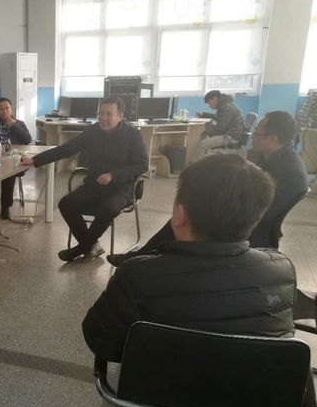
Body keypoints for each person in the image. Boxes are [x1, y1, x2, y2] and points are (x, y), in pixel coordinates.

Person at [82, 153, 295, 367]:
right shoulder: (281, 271)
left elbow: (102, 342)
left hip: (156, 387)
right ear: (256, 220)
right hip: (254, 387)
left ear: (179, 215)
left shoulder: (137, 275)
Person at [107, 110, 310, 267]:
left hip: (248, 229)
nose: (252, 136)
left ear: (273, 139)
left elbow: (259, 211)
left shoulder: (286, 172)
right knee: (186, 212)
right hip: (246, 219)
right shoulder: (280, 159)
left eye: (257, 132)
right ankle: (146, 256)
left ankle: (145, 259)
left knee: (187, 216)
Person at [21, 97, 147, 262]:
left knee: (107, 208)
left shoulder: (133, 135)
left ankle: (81, 248)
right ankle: (91, 246)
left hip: (122, 186)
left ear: (120, 116)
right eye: (100, 113)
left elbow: (142, 165)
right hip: (95, 184)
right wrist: (35, 160)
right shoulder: (92, 132)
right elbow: (65, 149)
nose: (103, 118)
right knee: (66, 204)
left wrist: (113, 175)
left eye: (108, 114)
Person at [196, 90, 247, 156]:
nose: (209, 106)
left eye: (209, 103)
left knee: (202, 144)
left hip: (233, 136)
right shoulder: (225, 104)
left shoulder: (226, 107)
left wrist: (209, 135)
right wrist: (204, 114)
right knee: (207, 132)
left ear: (215, 98)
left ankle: (195, 162)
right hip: (234, 134)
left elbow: (221, 127)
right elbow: (219, 118)